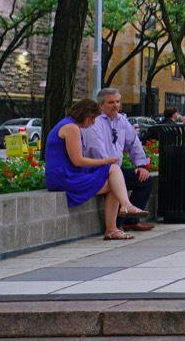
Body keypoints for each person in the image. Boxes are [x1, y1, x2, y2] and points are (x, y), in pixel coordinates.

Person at [47, 98, 150, 241]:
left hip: (67, 174)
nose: (93, 123)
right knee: (113, 171)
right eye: (92, 119)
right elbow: (78, 161)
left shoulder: (68, 125)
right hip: (65, 178)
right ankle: (121, 213)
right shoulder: (71, 128)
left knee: (114, 179)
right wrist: (105, 161)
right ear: (86, 114)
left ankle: (117, 222)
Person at [83, 87, 155, 233]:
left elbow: (133, 143)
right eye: (111, 102)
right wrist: (111, 167)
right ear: (100, 105)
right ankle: (117, 224)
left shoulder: (122, 120)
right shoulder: (94, 122)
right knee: (118, 179)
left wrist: (141, 165)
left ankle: (131, 220)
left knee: (145, 180)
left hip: (115, 168)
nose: (116, 105)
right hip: (98, 168)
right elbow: (96, 149)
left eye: (117, 101)